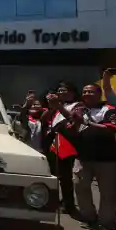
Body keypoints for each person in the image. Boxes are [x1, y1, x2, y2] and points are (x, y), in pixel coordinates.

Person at [51, 84, 116, 230]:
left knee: (108, 193)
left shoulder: (108, 110)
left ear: (99, 94)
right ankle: (89, 217)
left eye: (91, 91)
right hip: (83, 157)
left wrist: (86, 123)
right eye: (85, 91)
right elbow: (72, 122)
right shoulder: (79, 109)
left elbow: (110, 129)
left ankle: (106, 223)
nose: (87, 93)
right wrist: (59, 107)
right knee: (80, 188)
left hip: (107, 159)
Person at [43, 82, 79, 215]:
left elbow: (72, 119)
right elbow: (44, 119)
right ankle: (53, 199)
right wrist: (51, 107)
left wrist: (57, 105)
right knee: (53, 173)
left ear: (72, 93)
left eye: (64, 90)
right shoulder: (58, 107)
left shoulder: (77, 105)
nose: (61, 92)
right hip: (54, 141)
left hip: (67, 142)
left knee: (65, 175)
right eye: (59, 90)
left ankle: (68, 204)